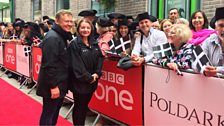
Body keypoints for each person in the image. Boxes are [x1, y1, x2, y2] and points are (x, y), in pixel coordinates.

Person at [36, 9, 73, 125]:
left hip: (60, 82)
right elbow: (49, 65)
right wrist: (53, 86)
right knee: (49, 113)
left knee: (53, 113)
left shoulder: (60, 35)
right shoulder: (53, 38)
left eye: (71, 21)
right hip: (53, 85)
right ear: (57, 21)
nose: (69, 24)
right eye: (66, 21)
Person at [68, 18, 104, 125]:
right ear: (78, 29)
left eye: (88, 28)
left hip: (93, 81)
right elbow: (76, 65)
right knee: (80, 107)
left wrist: (97, 73)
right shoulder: (74, 44)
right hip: (80, 83)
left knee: (84, 107)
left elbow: (100, 58)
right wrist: (89, 77)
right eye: (83, 27)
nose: (85, 30)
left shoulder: (94, 43)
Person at [201, 7, 224, 77]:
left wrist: (217, 70)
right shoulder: (208, 42)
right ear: (216, 27)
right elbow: (198, 61)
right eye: (221, 26)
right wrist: (204, 69)